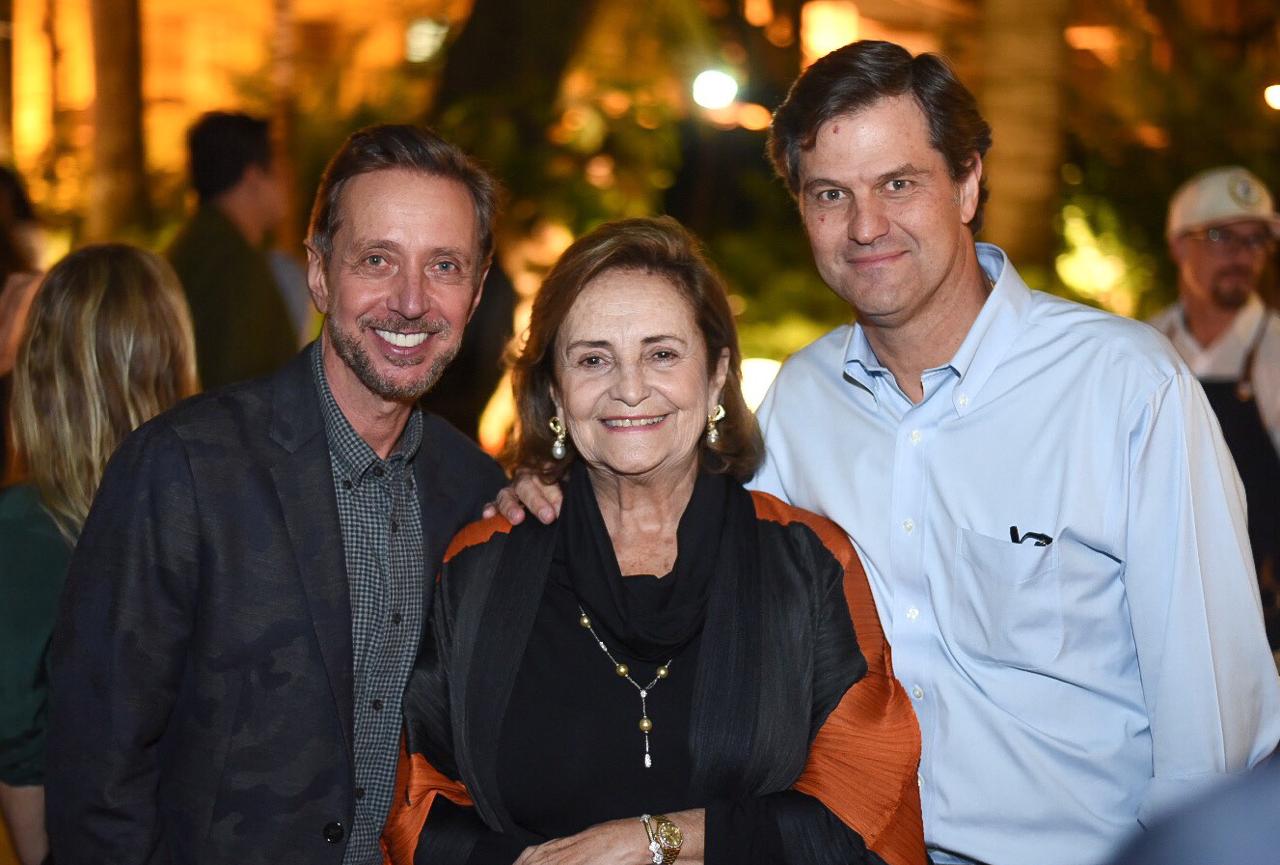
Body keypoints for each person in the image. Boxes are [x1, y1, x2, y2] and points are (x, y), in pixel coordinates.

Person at [495, 41, 1280, 865]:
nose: (865, 226)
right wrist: (546, 497)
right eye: (831, 194)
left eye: (898, 184)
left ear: (968, 182)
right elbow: (690, 567)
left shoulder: (1125, 388)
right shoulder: (801, 402)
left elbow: (1214, 725)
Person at [383, 217, 925, 865]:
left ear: (718, 372)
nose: (631, 387)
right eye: (592, 359)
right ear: (555, 389)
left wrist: (654, 840)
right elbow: (421, 795)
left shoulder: (808, 560)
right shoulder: (482, 564)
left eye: (662, 353)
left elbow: (863, 799)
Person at [47, 125, 508, 865]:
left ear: (477, 291)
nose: (411, 300)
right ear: (320, 273)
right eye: (378, 259)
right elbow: (94, 759)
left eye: (445, 265)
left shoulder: (476, 492)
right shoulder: (184, 467)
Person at [0, 245, 198, 865]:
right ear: (171, 358)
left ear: (40, 370)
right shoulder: (216, 508)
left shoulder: (24, 533)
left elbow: (18, 734)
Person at [1148, 165, 1280, 649]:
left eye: (1257, 241)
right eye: (1222, 236)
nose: (1243, 256)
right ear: (1180, 245)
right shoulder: (1142, 347)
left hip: (1263, 623)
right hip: (1159, 615)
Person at [166, 110, 300, 389]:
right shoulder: (229, 264)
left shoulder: (207, 246)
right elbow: (237, 380)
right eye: (279, 167)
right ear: (252, 177)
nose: (289, 180)